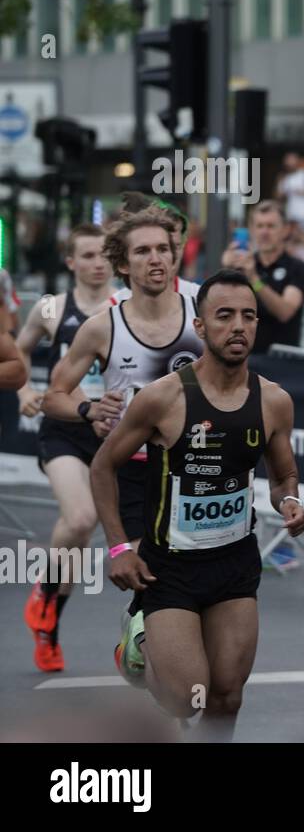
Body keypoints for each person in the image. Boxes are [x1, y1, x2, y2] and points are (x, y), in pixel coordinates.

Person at [93, 269, 304, 741]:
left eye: (248, 316)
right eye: (224, 315)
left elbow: (283, 473)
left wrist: (289, 499)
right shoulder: (162, 399)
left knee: (227, 693)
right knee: (183, 695)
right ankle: (140, 637)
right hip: (169, 568)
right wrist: (117, 549)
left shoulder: (274, 401)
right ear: (201, 326)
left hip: (234, 562)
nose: (238, 327)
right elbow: (102, 467)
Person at [42, 207, 206, 683]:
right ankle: (146, 641)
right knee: (154, 574)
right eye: (142, 251)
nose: (156, 259)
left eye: (163, 249)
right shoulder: (102, 326)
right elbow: (55, 391)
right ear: (123, 264)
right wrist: (88, 410)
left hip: (200, 469)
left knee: (194, 580)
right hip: (135, 470)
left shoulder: (204, 310)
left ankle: (145, 631)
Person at [18, 224, 112, 672]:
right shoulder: (52, 308)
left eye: (103, 255)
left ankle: (49, 625)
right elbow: (15, 354)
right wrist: (23, 394)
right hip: (63, 427)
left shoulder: (127, 307)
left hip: (109, 432)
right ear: (71, 262)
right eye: (87, 255)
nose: (97, 263)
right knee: (80, 519)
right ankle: (43, 593)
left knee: (77, 541)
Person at [221, 201, 304, 353]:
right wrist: (226, 271)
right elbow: (223, 308)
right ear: (252, 230)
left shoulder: (297, 268)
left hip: (282, 360)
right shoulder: (243, 265)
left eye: (271, 226)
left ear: (285, 230)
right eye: (259, 226)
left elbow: (285, 312)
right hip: (245, 358)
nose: (264, 232)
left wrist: (254, 279)